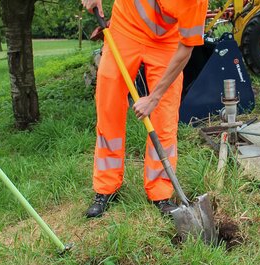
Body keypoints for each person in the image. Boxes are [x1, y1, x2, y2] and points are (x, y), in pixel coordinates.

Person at [82, 0, 208, 218]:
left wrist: (154, 97)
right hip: (126, 29)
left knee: (164, 118)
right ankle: (106, 188)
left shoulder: (197, 3)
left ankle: (160, 192)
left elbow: (186, 48)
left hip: (167, 42)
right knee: (109, 108)